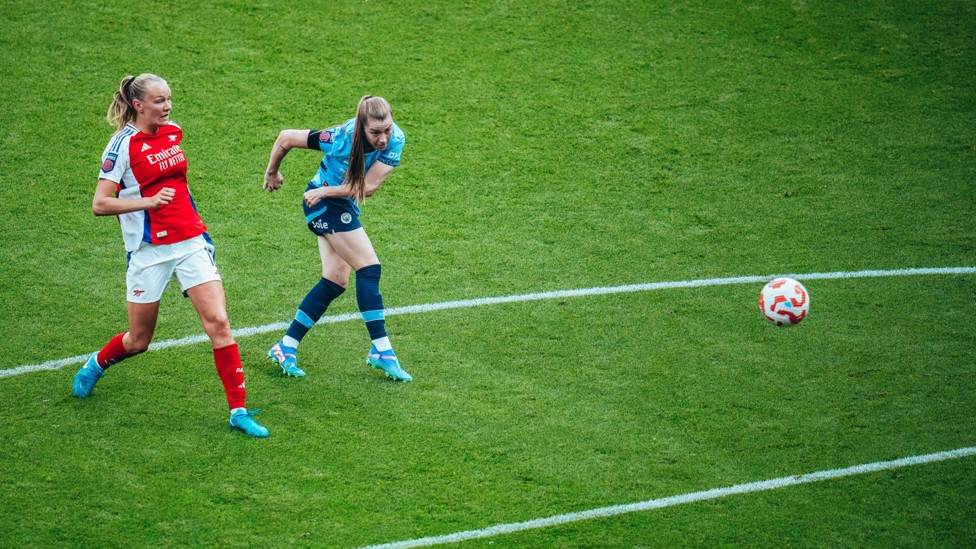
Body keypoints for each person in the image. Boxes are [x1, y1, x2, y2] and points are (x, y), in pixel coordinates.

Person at [72, 73, 269, 438]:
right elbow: (99, 204)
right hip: (148, 252)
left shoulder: (173, 131)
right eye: (160, 101)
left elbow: (177, 180)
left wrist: (183, 212)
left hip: (190, 240)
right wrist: (148, 201)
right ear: (138, 105)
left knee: (219, 324)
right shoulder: (121, 147)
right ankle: (97, 363)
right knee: (139, 340)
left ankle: (239, 411)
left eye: (169, 99)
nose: (168, 106)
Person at [263, 95, 412, 382]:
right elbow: (286, 137)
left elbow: (367, 188)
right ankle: (382, 350)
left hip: (332, 199)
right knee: (369, 268)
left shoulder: (396, 141)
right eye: (375, 132)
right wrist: (273, 172)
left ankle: (286, 346)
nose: (383, 138)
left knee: (335, 280)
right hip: (322, 205)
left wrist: (326, 191)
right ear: (361, 127)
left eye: (387, 129)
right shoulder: (341, 138)